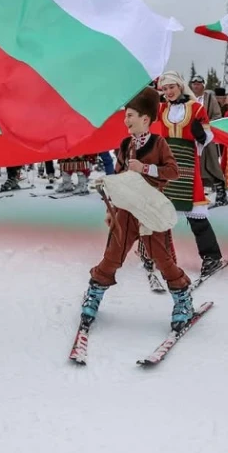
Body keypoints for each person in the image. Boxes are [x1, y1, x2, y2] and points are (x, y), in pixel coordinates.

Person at [80, 87, 194, 331]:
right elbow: (119, 178)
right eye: (125, 115)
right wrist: (111, 210)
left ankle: (183, 299)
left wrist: (146, 169)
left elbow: (173, 171)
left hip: (151, 210)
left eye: (130, 115)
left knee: (162, 258)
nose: (125, 120)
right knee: (113, 255)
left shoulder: (159, 143)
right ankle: (94, 294)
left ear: (145, 119)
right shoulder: (124, 145)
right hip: (126, 211)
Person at [154, 71, 226, 277]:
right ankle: (157, 254)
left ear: (180, 86)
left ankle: (211, 257)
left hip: (187, 162)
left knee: (196, 213)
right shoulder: (161, 108)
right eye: (164, 89)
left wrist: (201, 135)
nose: (168, 92)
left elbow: (208, 136)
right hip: (166, 163)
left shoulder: (196, 108)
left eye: (171, 87)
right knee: (160, 212)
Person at [189, 75, 227, 205]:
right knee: (194, 166)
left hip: (207, 136)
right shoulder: (188, 99)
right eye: (193, 83)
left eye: (198, 83)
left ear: (203, 85)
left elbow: (217, 115)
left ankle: (221, 193)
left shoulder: (210, 98)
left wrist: (205, 125)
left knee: (212, 164)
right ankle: (195, 195)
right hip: (192, 137)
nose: (196, 86)